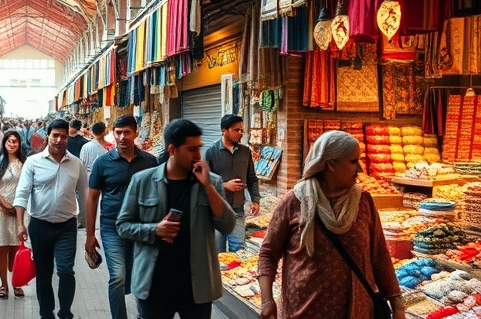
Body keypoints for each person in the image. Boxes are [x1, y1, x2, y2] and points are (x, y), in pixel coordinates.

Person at [257, 131, 404, 319]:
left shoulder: (363, 202)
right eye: (353, 161)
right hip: (304, 310)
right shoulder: (294, 202)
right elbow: (268, 253)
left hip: (356, 310)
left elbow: (380, 255)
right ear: (331, 165)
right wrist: (267, 301)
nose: (359, 168)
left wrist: (397, 305)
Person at [116, 119, 235, 319]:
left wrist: (208, 187)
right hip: (154, 284)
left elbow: (227, 225)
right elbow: (123, 226)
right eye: (191, 149)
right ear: (172, 149)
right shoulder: (143, 181)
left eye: (199, 148)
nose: (198, 155)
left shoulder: (210, 181)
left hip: (197, 287)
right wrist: (155, 230)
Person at [85, 116, 158, 319]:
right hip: (112, 228)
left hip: (142, 228)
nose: (122, 137)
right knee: (117, 276)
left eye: (127, 132)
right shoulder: (102, 163)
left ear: (135, 133)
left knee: (142, 276)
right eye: (118, 132)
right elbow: (92, 198)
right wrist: (90, 235)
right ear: (113, 133)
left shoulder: (150, 162)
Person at [14, 119, 88, 319]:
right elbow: (21, 194)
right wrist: (21, 223)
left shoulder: (77, 164)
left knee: (65, 271)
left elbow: (84, 196)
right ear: (48, 136)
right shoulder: (33, 162)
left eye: (63, 136)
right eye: (55, 135)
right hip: (39, 226)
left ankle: (65, 312)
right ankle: (46, 314)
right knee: (44, 275)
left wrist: (90, 234)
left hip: (66, 227)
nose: (59, 140)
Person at [204, 114, 260, 253]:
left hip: (238, 209)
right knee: (218, 253)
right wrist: (224, 185)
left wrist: (255, 200)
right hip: (217, 211)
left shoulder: (245, 152)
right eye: (236, 130)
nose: (240, 133)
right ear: (224, 130)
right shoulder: (211, 152)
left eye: (242, 130)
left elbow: (252, 178)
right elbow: (203, 182)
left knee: (239, 251)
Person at [0, 130, 27, 299]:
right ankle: (4, 284)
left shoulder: (25, 163)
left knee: (17, 248)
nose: (11, 144)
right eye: (9, 141)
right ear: (4, 143)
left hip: (19, 210)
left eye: (15, 142)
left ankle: (16, 282)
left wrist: (16, 207)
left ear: (19, 144)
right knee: (2, 247)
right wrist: (4, 204)